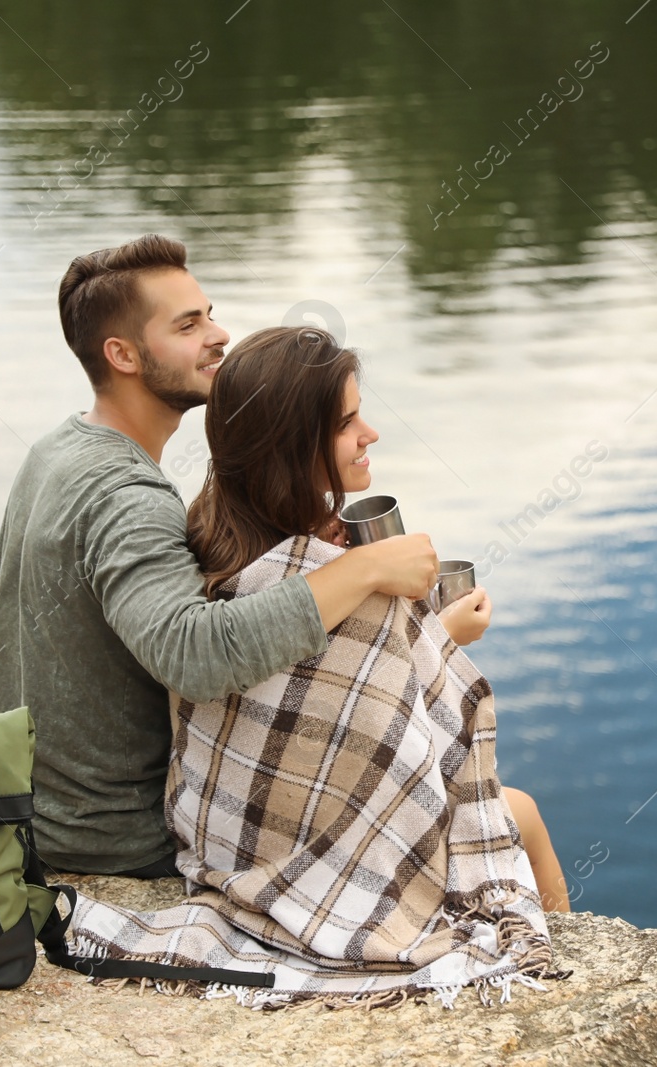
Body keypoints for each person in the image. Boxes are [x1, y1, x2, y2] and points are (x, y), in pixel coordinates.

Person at [0, 234, 440, 877]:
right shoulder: (125, 496)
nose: (218, 335)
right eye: (189, 325)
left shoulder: (58, 449)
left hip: (20, 804)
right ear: (123, 355)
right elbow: (198, 656)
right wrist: (367, 568)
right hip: (113, 837)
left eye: (210, 313)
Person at [184, 324, 571, 912]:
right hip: (315, 847)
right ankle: (554, 965)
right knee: (523, 816)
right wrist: (440, 637)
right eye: (345, 425)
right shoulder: (312, 578)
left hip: (229, 830)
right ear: (290, 443)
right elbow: (380, 723)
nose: (371, 434)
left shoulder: (214, 529)